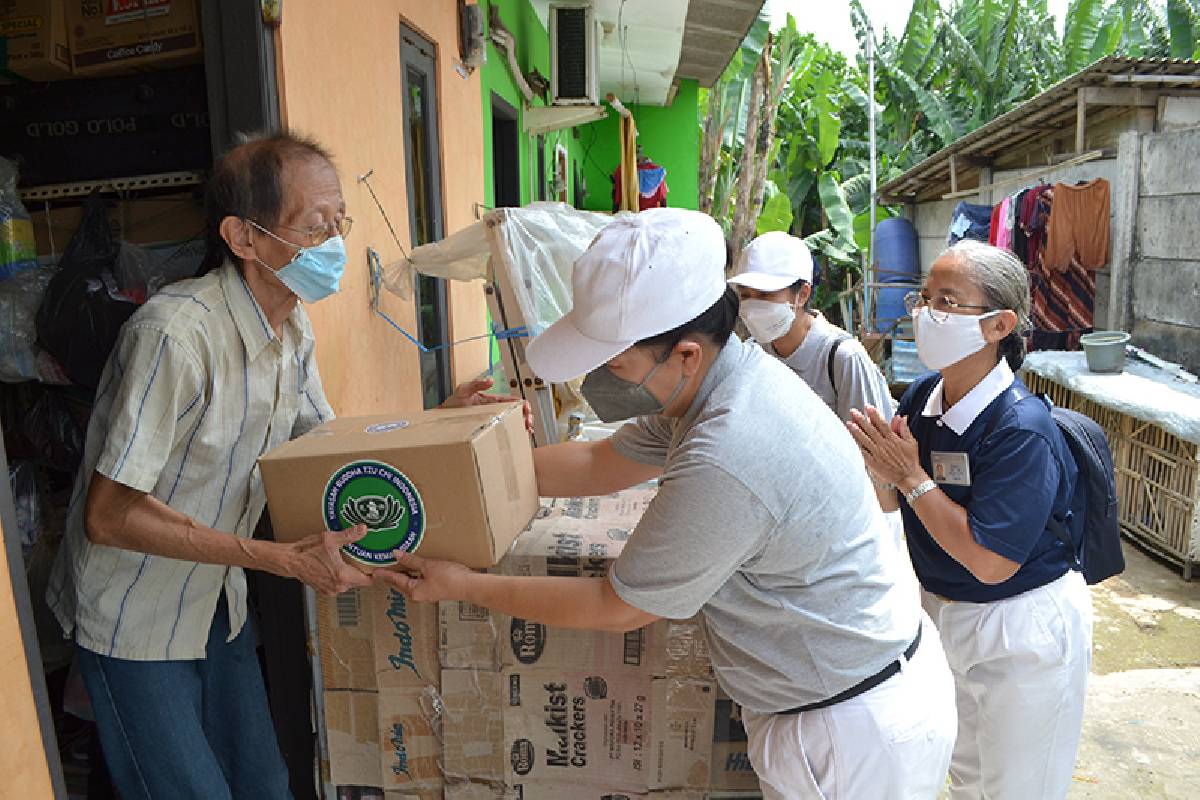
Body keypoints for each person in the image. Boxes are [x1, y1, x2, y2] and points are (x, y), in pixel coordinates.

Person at [375, 208, 956, 800]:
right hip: (843, 692)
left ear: (684, 354)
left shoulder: (729, 446)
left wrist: (461, 585)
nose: (605, 378)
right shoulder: (721, 380)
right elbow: (600, 463)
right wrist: (467, 468)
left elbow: (616, 605)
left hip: (852, 731)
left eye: (617, 364)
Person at [47, 131, 520, 800]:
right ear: (243, 237)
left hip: (215, 602)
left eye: (339, 223)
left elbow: (318, 453)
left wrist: (441, 423)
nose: (334, 244)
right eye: (313, 225)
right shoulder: (174, 336)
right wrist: (284, 560)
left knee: (264, 782)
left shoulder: (291, 328)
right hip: (134, 616)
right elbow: (109, 515)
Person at [846, 240, 1094, 800]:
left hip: (1020, 622)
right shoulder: (923, 395)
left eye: (947, 301)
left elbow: (989, 561)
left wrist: (911, 477)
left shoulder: (1021, 430)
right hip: (945, 611)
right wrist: (882, 470)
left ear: (998, 324)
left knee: (1020, 787)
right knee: (966, 777)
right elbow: (895, 506)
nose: (924, 313)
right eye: (924, 296)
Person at [729, 231, 901, 540]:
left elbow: (877, 456)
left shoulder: (842, 358)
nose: (752, 306)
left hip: (852, 523)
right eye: (745, 295)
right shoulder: (755, 353)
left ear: (802, 294)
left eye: (765, 295)